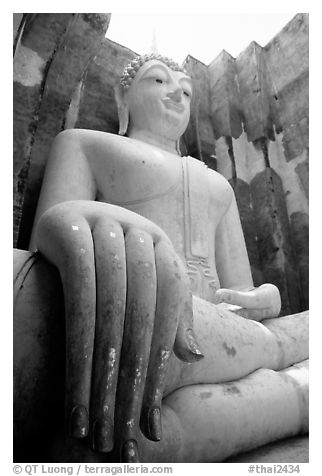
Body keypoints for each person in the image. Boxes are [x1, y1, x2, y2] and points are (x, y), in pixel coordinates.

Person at [27, 53, 308, 462]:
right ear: (123, 99)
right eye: (157, 81)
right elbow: (39, 259)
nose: (176, 91)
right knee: (167, 325)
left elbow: (242, 290)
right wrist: (78, 222)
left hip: (225, 327)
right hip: (145, 310)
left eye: (187, 90)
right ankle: (290, 384)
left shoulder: (219, 186)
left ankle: (249, 406)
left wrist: (265, 298)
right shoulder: (86, 144)